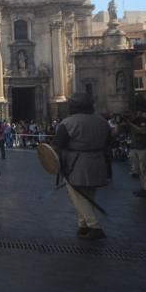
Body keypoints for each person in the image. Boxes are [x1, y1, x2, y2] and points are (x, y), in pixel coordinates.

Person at [52, 93, 114, 240]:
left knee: (77, 196)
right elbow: (110, 143)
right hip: (98, 161)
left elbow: (57, 145)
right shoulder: (102, 122)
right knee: (88, 194)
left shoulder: (68, 123)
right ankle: (83, 224)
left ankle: (94, 226)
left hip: (77, 164)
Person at [127, 111, 146, 198]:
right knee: (139, 170)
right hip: (135, 148)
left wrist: (130, 123)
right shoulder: (132, 122)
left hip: (145, 148)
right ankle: (143, 188)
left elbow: (144, 131)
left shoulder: (142, 121)